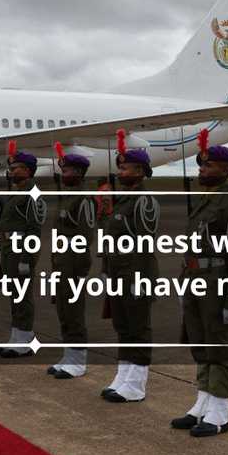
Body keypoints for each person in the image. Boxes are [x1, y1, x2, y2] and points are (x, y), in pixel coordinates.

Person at [171, 131, 228, 436]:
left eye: (210, 166)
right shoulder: (207, 200)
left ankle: (220, 411)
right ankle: (203, 402)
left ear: (227, 170)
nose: (202, 170)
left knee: (217, 346)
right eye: (202, 165)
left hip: (217, 281)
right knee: (200, 343)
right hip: (195, 280)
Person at [100, 131, 159, 403]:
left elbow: (144, 245)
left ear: (140, 171)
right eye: (120, 168)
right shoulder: (121, 200)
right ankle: (123, 375)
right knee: (123, 325)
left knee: (137, 326)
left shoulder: (143, 202)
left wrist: (138, 278)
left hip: (135, 273)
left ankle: (136, 383)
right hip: (118, 273)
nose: (121, 172)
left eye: (125, 168)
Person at [48, 143, 96, 378]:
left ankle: (78, 361)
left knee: (74, 311)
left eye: (66, 172)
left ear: (77, 173)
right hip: (62, 262)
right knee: (64, 310)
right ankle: (68, 356)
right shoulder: (67, 197)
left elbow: (86, 236)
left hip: (74, 263)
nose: (63, 175)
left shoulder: (82, 199)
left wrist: (76, 270)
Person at [0, 142, 46, 358]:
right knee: (15, 296)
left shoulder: (32, 195)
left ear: (28, 170)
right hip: (10, 250)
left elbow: (33, 230)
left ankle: (25, 341)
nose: (12, 171)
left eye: (16, 168)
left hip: (22, 251)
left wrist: (26, 258)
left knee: (22, 297)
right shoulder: (17, 192)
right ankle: (17, 337)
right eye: (12, 168)